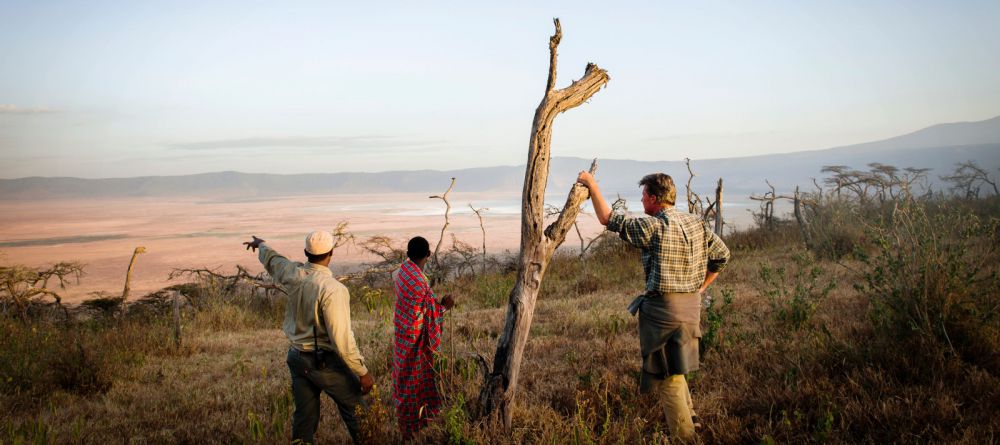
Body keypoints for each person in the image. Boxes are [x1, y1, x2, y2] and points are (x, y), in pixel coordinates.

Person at [576, 171, 730, 442]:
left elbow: (608, 219)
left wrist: (592, 185)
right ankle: (693, 422)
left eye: (644, 195)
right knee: (676, 368)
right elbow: (722, 256)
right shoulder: (697, 223)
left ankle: (686, 438)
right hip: (691, 308)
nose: (641, 199)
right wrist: (702, 287)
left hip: (663, 312)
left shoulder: (654, 227)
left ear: (655, 199)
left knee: (666, 377)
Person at [244, 231, 374, 444]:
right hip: (322, 361)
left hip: (296, 357)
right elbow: (341, 340)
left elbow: (275, 261)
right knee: (359, 413)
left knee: (304, 420)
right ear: (331, 253)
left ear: (306, 252)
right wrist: (362, 372)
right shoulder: (333, 289)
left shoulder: (293, 274)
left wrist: (261, 244)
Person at [390, 236, 455, 440]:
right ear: (428, 255)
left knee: (402, 377)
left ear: (408, 255)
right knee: (412, 381)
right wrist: (444, 306)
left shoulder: (402, 272)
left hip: (401, 336)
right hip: (414, 340)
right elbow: (432, 315)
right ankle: (412, 427)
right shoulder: (420, 282)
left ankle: (409, 422)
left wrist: (434, 303)